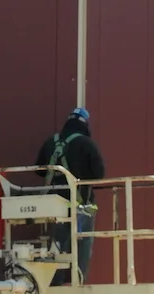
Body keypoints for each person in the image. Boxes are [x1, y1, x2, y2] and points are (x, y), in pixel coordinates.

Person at [35, 108, 104, 284]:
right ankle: (78, 279)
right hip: (80, 203)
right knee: (83, 239)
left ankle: (54, 279)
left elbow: (39, 170)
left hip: (54, 203)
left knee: (58, 240)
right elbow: (99, 174)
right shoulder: (87, 144)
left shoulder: (51, 142)